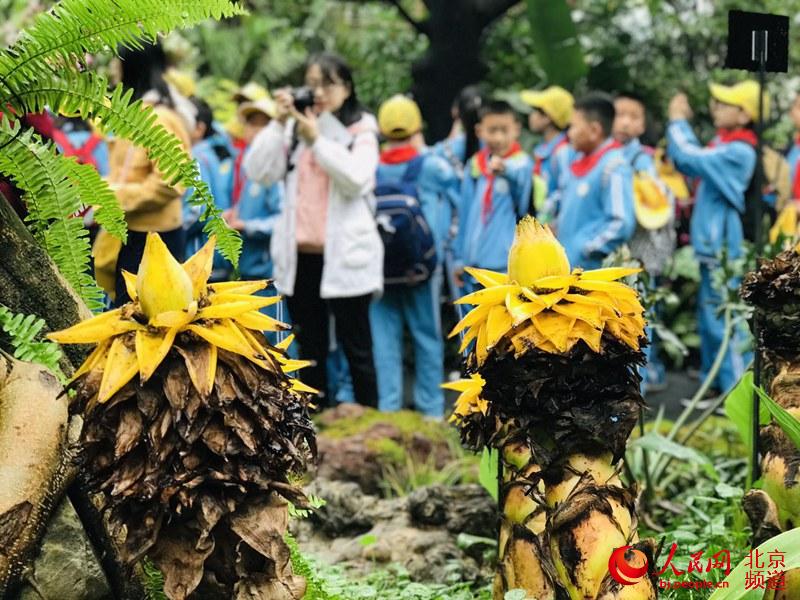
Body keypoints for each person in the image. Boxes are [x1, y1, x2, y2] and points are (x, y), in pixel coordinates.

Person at [243, 52, 381, 409]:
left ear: (346, 89)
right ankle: (315, 428)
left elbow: (357, 180)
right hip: (301, 257)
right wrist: (278, 123)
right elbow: (257, 171)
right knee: (309, 348)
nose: (318, 92)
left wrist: (317, 140)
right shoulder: (292, 129)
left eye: (327, 84)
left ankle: (372, 429)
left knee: (357, 348)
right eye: (312, 83)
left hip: (345, 258)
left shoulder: (361, 129)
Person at [666, 81, 761, 393]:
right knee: (709, 316)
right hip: (711, 244)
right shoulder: (724, 144)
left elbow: (689, 158)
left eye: (725, 103)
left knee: (725, 319)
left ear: (745, 114)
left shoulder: (740, 151)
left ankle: (734, 392)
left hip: (723, 244)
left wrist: (678, 120)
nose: (715, 108)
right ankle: (714, 380)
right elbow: (694, 157)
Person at [370, 95, 459, 418]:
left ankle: (389, 410)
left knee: (384, 340)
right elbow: (459, 195)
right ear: (417, 127)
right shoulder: (432, 166)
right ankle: (432, 412)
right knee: (426, 336)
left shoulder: (371, 166)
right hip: (422, 266)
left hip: (380, 268)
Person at [107, 41, 191, 306]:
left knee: (150, 323)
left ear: (131, 65)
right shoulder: (134, 116)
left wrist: (114, 197)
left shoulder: (162, 119)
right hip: (131, 234)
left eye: (115, 60)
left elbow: (171, 182)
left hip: (155, 240)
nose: (112, 68)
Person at [613, 91, 675, 393]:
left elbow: (654, 207)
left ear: (642, 125)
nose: (624, 121)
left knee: (640, 315)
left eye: (632, 116)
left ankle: (640, 381)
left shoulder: (641, 160)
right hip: (621, 252)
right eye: (619, 113)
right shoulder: (609, 155)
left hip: (640, 253)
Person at [454, 100, 533, 295]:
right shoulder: (474, 165)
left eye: (504, 130)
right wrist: (458, 258)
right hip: (472, 266)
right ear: (479, 131)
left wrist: (504, 169)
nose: (498, 138)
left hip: (505, 267)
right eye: (492, 130)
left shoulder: (521, 163)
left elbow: (521, 179)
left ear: (516, 129)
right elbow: (464, 214)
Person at [557, 92, 635, 270]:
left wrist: (585, 249)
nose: (569, 134)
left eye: (573, 127)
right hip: (568, 268)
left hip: (588, 272)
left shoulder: (614, 166)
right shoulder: (579, 161)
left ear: (594, 130)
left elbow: (621, 223)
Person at [184, 97, 231, 282]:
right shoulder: (213, 153)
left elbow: (196, 210)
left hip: (198, 254)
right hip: (219, 253)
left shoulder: (195, 157)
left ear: (199, 129)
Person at [520, 85, 574, 219]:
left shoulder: (563, 152)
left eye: (536, 111)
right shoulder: (543, 149)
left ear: (547, 118)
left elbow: (566, 191)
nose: (531, 116)